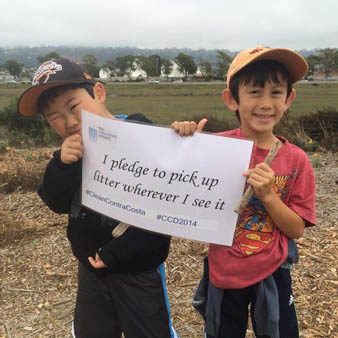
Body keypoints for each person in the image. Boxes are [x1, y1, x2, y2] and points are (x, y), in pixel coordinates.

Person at [17, 58, 178, 338]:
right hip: (90, 269)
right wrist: (62, 165)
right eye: (54, 117)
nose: (68, 122)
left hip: (137, 270)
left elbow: (160, 214)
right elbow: (56, 202)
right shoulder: (71, 152)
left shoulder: (142, 136)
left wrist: (114, 255)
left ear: (99, 93)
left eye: (73, 107)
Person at [172, 46, 316, 338]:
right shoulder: (215, 147)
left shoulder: (297, 160)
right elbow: (174, 180)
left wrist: (269, 196)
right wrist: (182, 139)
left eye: (276, 93)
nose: (266, 103)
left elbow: (296, 229)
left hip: (273, 271)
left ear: (289, 99)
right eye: (254, 92)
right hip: (224, 271)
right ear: (232, 100)